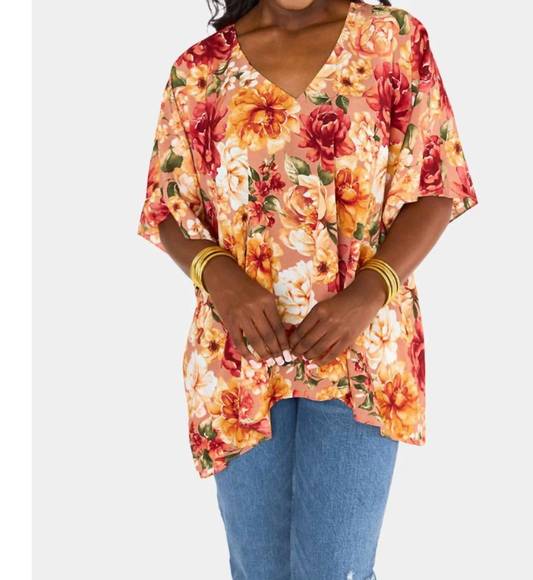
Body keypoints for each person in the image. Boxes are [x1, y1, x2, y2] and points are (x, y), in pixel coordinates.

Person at [137, 0, 478, 577]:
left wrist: (368, 292)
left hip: (361, 356)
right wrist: (221, 278)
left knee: (336, 569)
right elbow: (168, 207)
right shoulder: (199, 70)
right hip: (240, 362)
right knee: (258, 571)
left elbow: (437, 184)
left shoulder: (394, 41)